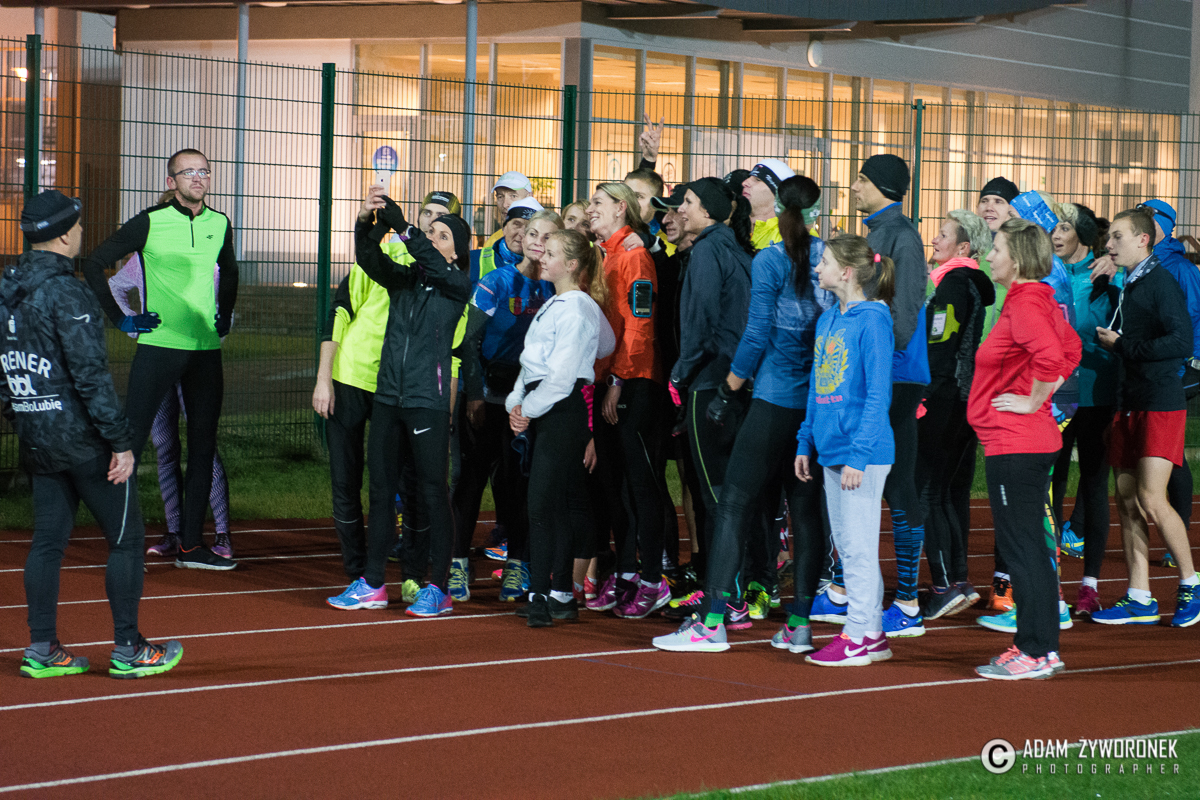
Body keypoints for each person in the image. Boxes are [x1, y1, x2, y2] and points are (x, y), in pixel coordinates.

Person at [2, 190, 183, 679]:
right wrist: (120, 442)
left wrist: (23, 419)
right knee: (126, 540)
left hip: (37, 438)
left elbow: (5, 371)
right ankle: (129, 649)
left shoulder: (7, 288)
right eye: (78, 225)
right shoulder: (68, 291)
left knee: (47, 543)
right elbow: (90, 376)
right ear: (64, 236)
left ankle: (43, 648)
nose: (82, 232)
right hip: (84, 442)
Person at [652, 176, 833, 653]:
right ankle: (799, 624)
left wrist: (728, 388)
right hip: (815, 404)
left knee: (732, 503)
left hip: (772, 400)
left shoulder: (771, 259)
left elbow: (755, 335)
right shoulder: (827, 258)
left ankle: (713, 621)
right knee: (805, 512)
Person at [82, 148, 238, 571]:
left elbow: (230, 270)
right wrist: (122, 320)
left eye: (204, 171)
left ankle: (190, 546)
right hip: (159, 349)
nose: (198, 178)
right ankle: (122, 540)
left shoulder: (220, 223)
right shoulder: (150, 221)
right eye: (188, 172)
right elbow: (94, 264)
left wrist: (223, 317)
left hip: (205, 353)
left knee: (203, 447)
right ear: (172, 182)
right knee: (129, 443)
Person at [325, 186, 471, 617]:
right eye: (431, 231)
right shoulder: (406, 279)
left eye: (443, 235)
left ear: (457, 252)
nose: (433, 238)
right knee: (381, 489)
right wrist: (368, 226)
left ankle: (438, 587)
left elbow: (429, 259)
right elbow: (368, 259)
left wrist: (406, 228)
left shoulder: (456, 285)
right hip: (389, 396)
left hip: (427, 401)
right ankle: (373, 583)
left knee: (432, 491)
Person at [816, 154, 928, 637]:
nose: (854, 186)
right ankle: (845, 590)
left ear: (882, 185)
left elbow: (904, 311)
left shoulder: (902, 236)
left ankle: (906, 601)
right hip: (878, 374)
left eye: (861, 178)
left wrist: (877, 356)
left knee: (897, 485)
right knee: (866, 484)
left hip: (896, 377)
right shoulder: (880, 232)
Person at [969, 218, 1080, 680]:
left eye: (996, 249)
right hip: (1021, 441)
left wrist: (1033, 400)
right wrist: (1040, 396)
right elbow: (1072, 348)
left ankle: (1034, 649)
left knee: (1022, 549)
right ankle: (1040, 647)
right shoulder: (1035, 298)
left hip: (1016, 443)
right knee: (1029, 546)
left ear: (1015, 259)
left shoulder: (1027, 302)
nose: (989, 256)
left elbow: (1055, 357)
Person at [1091, 209, 1199, 628]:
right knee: (1126, 499)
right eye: (1109, 237)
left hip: (1160, 401)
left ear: (1143, 240)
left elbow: (1180, 341)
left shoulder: (1161, 282)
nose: (1109, 244)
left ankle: (1191, 584)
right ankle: (1139, 596)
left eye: (1118, 237)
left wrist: (1123, 346)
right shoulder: (1130, 283)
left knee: (1152, 497)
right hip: (1131, 402)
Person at [795, 236, 896, 666]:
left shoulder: (872, 321)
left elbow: (878, 393)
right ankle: (871, 633)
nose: (818, 268)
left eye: (825, 262)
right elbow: (817, 387)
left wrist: (859, 454)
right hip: (832, 450)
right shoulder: (828, 320)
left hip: (861, 454)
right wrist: (805, 439)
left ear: (847, 271)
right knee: (851, 546)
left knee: (856, 547)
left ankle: (855, 636)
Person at [507, 229, 615, 627]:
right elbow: (602, 345)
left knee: (541, 505)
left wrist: (527, 408)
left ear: (571, 264)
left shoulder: (576, 307)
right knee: (557, 503)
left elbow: (562, 376)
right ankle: (560, 596)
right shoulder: (563, 304)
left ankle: (542, 595)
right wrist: (516, 403)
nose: (542, 257)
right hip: (549, 407)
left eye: (550, 253)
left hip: (561, 410)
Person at [454, 208, 559, 602]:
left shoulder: (557, 288)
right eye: (531, 233)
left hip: (528, 404)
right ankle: (457, 564)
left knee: (517, 486)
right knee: (471, 481)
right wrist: (475, 395)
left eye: (546, 236)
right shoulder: (496, 280)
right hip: (487, 397)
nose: (536, 241)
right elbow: (468, 341)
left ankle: (517, 565)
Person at [107, 251, 233, 559]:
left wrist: (216, 331)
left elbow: (223, 301)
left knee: (203, 447)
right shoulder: (144, 258)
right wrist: (132, 323)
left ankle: (222, 533)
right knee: (165, 446)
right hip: (158, 358)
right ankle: (175, 532)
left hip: (196, 359)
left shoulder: (205, 258)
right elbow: (114, 286)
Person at [669, 177, 754, 626]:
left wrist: (680, 373)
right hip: (737, 383)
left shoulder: (706, 251)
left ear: (706, 210)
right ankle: (732, 591)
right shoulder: (737, 250)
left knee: (716, 497)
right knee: (730, 494)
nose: (680, 209)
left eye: (687, 201)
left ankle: (726, 599)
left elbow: (699, 321)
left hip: (709, 382)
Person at [584, 182, 671, 618]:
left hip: (634, 382)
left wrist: (618, 378)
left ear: (621, 208)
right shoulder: (606, 254)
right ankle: (628, 575)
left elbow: (640, 322)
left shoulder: (634, 256)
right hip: (610, 380)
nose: (590, 208)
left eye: (598, 202)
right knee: (615, 486)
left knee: (640, 486)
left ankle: (654, 579)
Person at [313, 225, 405, 586]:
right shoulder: (379, 259)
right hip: (350, 377)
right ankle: (356, 567)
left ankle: (387, 558)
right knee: (345, 477)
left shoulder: (439, 269)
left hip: (394, 386)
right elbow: (339, 313)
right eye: (428, 215)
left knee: (389, 479)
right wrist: (324, 379)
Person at [917, 210, 994, 620]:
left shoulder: (952, 285)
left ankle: (944, 585)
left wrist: (925, 394)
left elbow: (940, 344)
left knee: (927, 492)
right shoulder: (970, 283)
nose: (934, 239)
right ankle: (959, 580)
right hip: (963, 399)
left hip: (945, 398)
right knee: (944, 492)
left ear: (963, 247)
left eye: (943, 235)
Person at [1048, 203, 1116, 617]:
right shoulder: (1049, 273)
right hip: (1057, 393)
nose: (1056, 234)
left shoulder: (1110, 274)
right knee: (1052, 485)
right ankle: (1052, 582)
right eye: (1054, 227)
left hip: (1097, 393)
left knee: (1093, 485)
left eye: (1064, 227)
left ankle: (1089, 585)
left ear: (1084, 237)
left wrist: (1114, 268)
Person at [472, 195, 542, 282]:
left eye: (530, 228)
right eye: (517, 224)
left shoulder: (546, 271)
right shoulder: (472, 260)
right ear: (504, 228)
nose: (522, 234)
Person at [742, 159, 797, 251]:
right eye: (749, 178)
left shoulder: (794, 235)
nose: (744, 183)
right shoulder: (734, 226)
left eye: (757, 180)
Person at [483, 171, 534, 249]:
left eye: (513, 196)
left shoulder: (545, 239)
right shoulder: (493, 242)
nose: (505, 204)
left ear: (529, 196)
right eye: (500, 197)